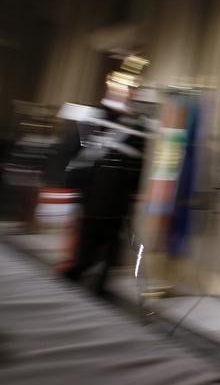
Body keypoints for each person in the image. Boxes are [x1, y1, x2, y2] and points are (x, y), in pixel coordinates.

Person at [46, 55, 151, 296]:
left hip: (119, 202)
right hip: (92, 200)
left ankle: (99, 293)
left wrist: (134, 193)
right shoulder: (90, 119)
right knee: (85, 256)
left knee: (110, 257)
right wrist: (66, 191)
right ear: (112, 86)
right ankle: (70, 286)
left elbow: (137, 164)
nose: (130, 92)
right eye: (126, 86)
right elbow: (68, 154)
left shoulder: (137, 127)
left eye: (134, 88)